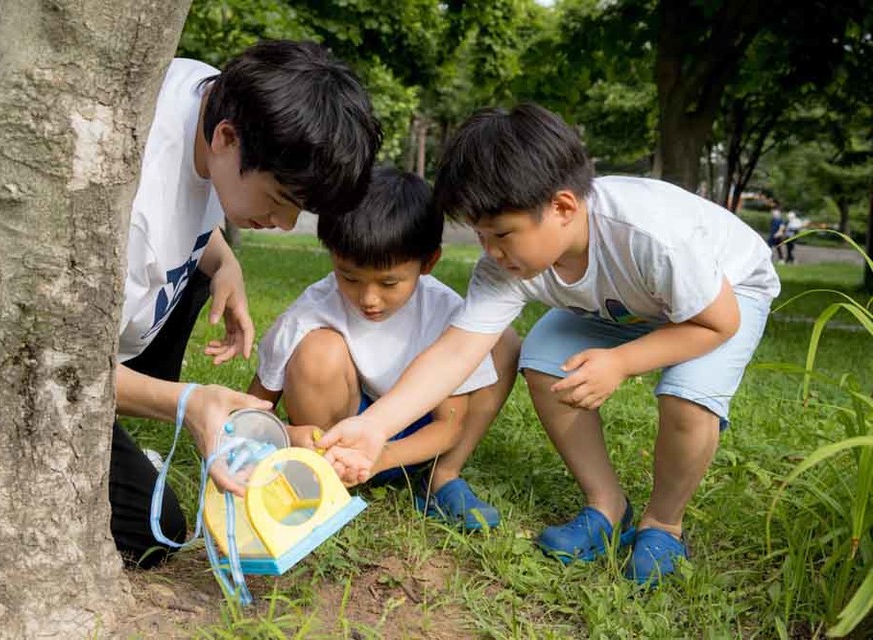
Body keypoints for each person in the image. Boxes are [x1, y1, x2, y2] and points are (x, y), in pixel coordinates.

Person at [318, 104, 780, 584]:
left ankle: (663, 524)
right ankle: (608, 507)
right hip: (629, 302)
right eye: (480, 236)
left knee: (687, 398)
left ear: (562, 207)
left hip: (723, 297)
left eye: (501, 235)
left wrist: (621, 361)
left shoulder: (652, 236)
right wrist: (373, 426)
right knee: (543, 358)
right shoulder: (505, 265)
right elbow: (457, 352)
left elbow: (718, 324)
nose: (490, 251)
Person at [113, 40, 381, 567]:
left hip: (119, 331)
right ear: (226, 138)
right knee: (152, 531)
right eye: (278, 203)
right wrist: (186, 403)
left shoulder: (207, 92)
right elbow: (59, 372)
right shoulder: (128, 218)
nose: (281, 225)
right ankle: (121, 423)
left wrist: (223, 265)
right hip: (47, 381)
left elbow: (192, 203)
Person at [247, 166, 521, 530]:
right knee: (317, 351)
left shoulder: (443, 311)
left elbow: (449, 426)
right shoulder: (311, 311)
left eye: (389, 282)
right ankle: (328, 478)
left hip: (417, 442)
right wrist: (286, 435)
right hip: (339, 442)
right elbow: (252, 413)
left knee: (500, 342)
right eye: (349, 277)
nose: (369, 298)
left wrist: (381, 457)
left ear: (428, 263)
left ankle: (442, 477)